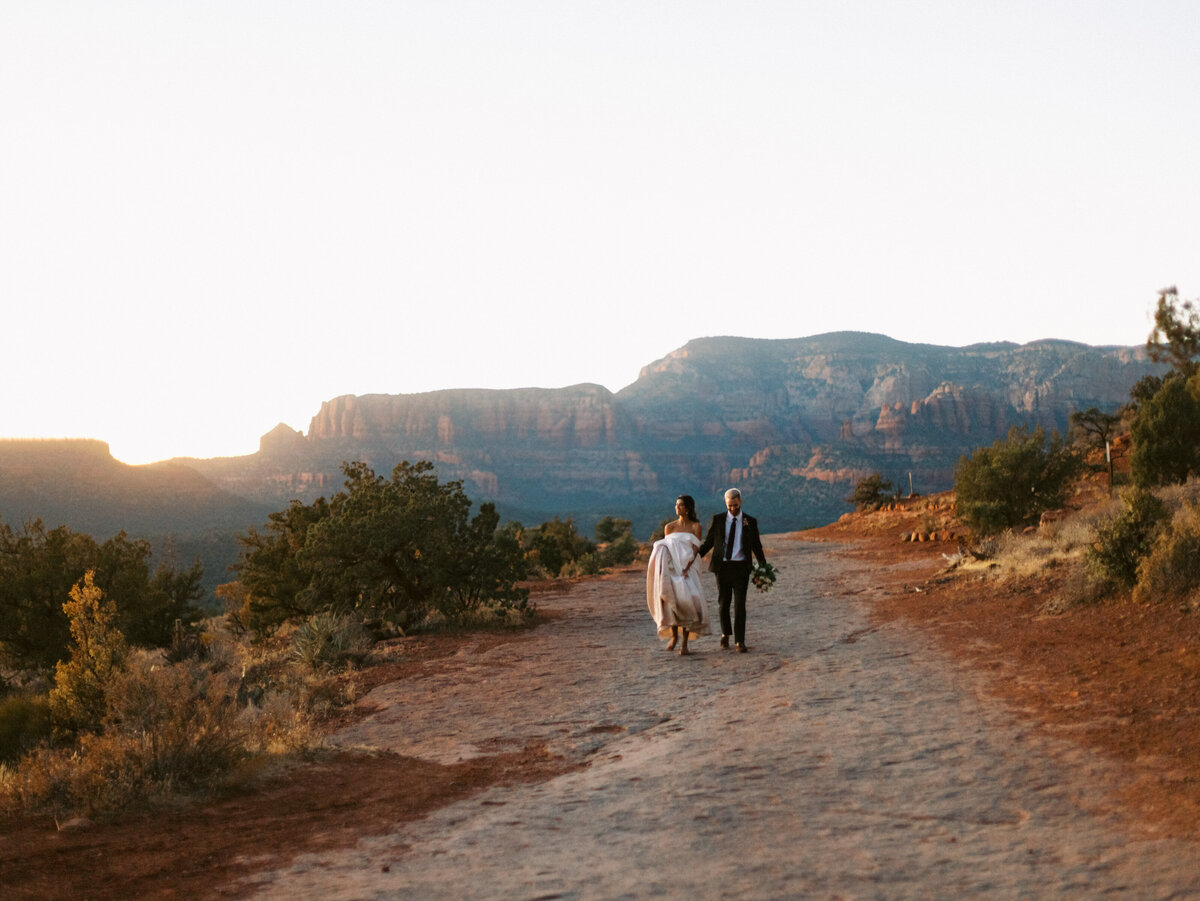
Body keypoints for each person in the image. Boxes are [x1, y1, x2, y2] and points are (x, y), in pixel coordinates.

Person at [696, 487, 767, 652]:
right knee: (723, 603)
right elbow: (709, 543)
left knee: (740, 605)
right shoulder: (718, 520)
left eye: (735, 505)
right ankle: (725, 633)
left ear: (740, 501)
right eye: (730, 506)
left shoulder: (750, 521)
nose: (733, 509)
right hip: (723, 567)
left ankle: (739, 641)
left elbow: (756, 545)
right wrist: (694, 557)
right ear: (726, 504)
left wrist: (763, 566)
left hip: (742, 567)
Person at [646, 495, 710, 655]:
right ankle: (674, 636)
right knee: (672, 601)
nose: (677, 507)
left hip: (688, 569)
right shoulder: (669, 527)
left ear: (687, 508)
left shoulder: (696, 526)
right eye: (676, 505)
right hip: (672, 569)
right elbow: (666, 549)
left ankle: (685, 644)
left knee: (689, 601)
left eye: (680, 505)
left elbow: (695, 549)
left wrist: (687, 566)